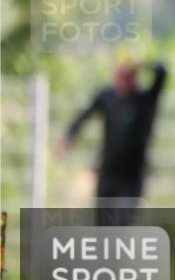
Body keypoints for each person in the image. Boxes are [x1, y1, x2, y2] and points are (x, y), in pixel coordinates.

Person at [57, 59, 168, 222]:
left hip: (132, 177)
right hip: (107, 174)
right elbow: (84, 116)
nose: (122, 80)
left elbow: (162, 71)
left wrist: (141, 63)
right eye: (120, 74)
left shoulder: (146, 100)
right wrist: (67, 138)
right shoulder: (108, 97)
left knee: (121, 223)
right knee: (102, 225)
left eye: (127, 74)